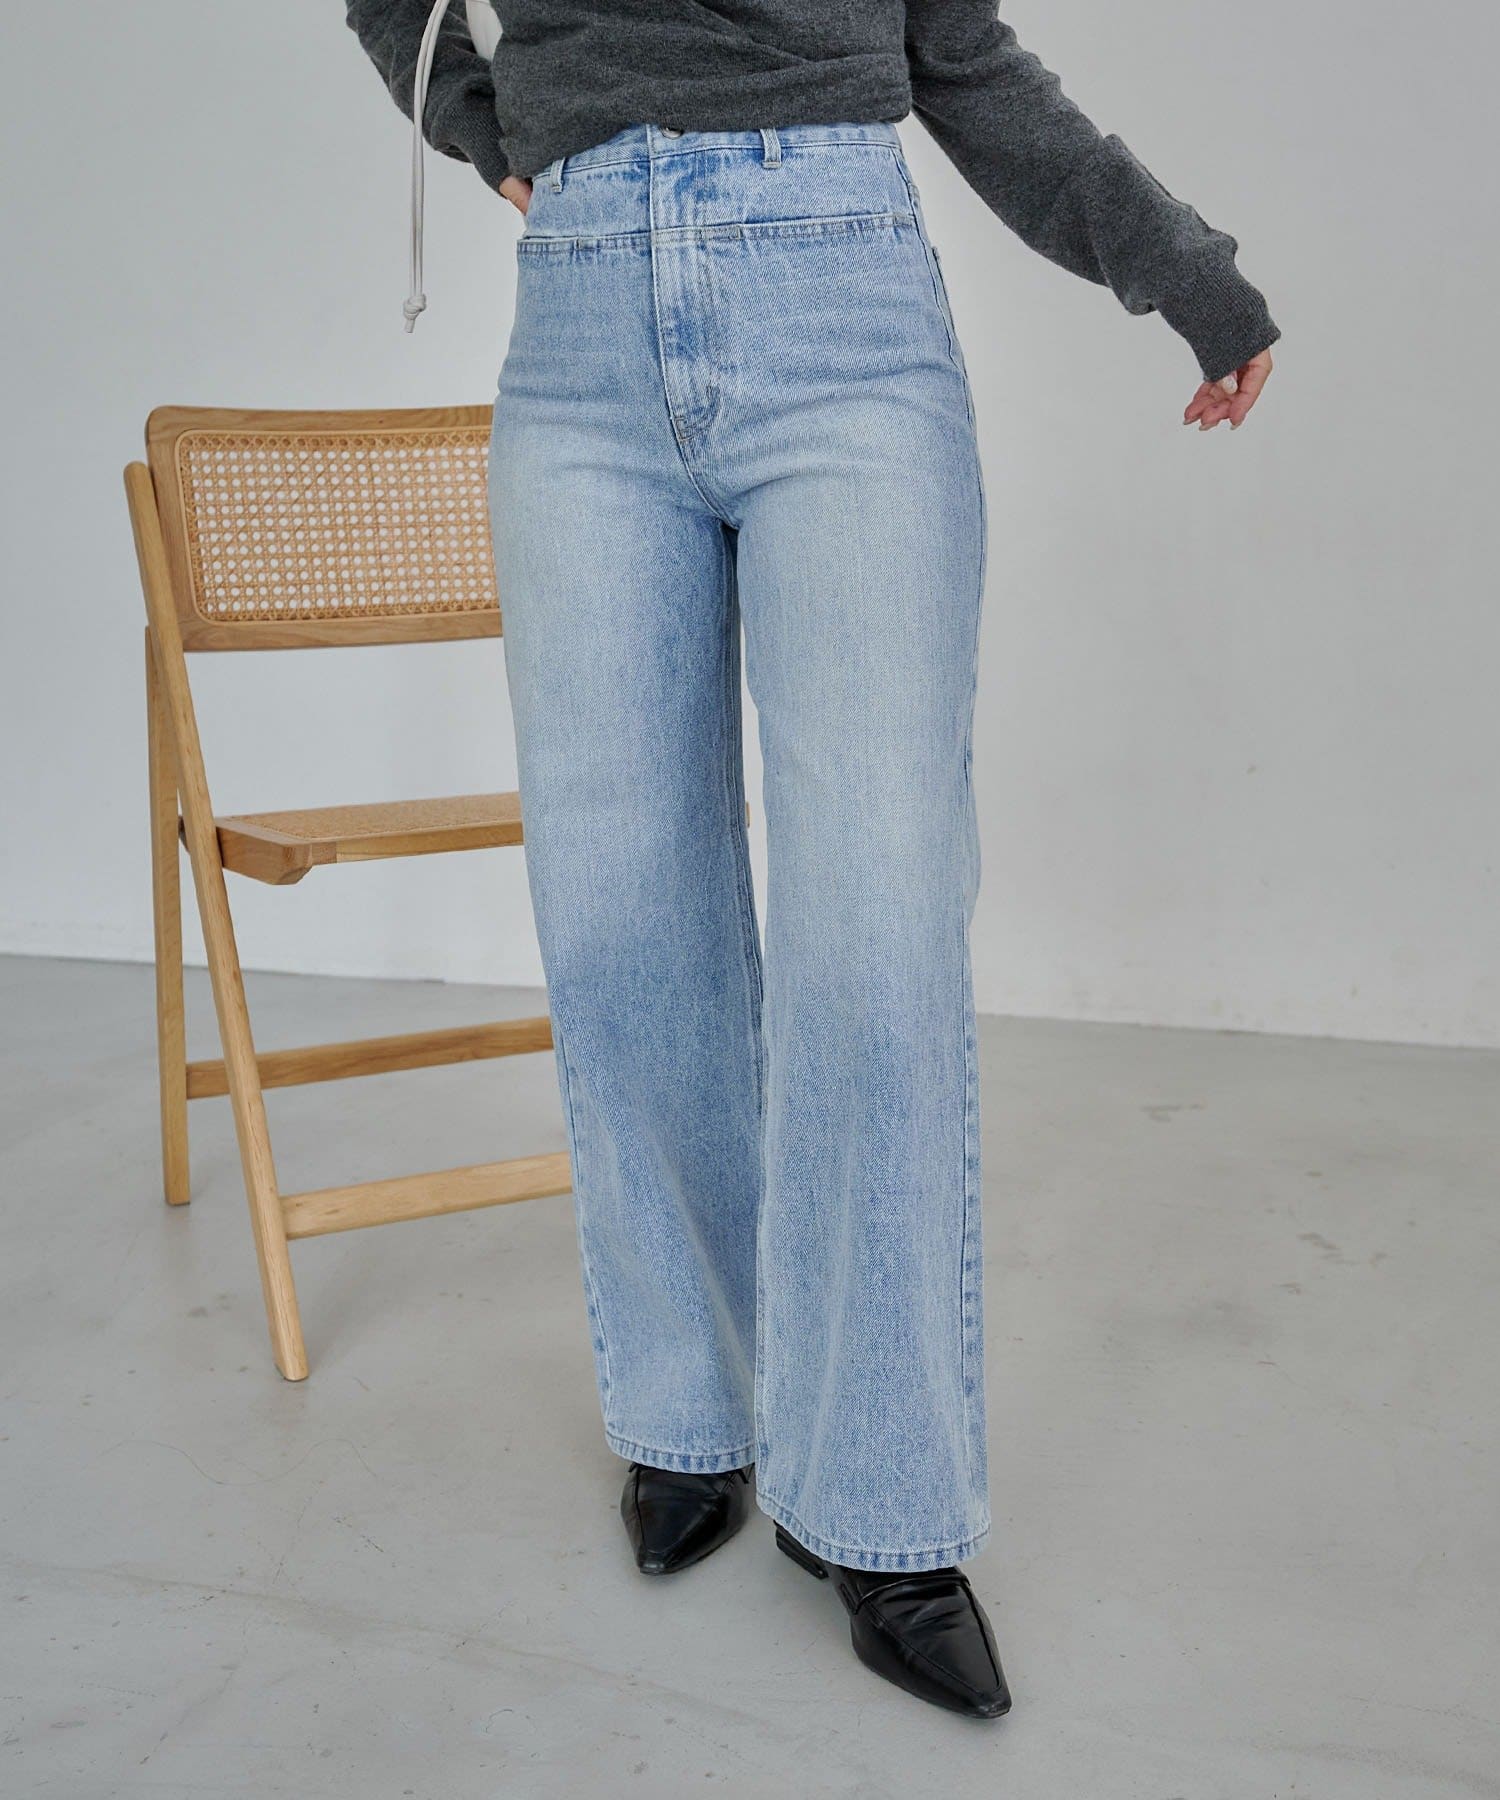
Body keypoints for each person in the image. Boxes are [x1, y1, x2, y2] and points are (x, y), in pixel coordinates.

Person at [344, 0, 1278, 1721]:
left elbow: (960, 55)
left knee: (874, 936)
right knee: (623, 923)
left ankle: (883, 1504)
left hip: (836, 306)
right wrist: (484, 122)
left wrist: (1177, 265)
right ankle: (691, 1408)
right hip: (581, 332)